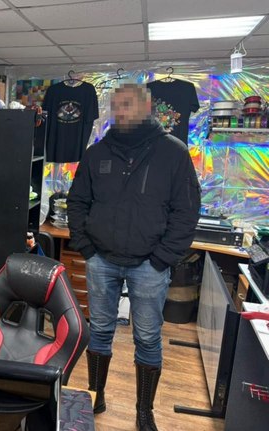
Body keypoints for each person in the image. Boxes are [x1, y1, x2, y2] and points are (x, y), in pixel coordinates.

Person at [66, 84, 201, 431]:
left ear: (146, 107)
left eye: (128, 105)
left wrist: (162, 259)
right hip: (102, 260)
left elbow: (187, 211)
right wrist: (86, 247)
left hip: (149, 265)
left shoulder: (173, 153)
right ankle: (96, 396)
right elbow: (77, 201)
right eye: (117, 106)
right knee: (99, 331)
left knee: (148, 337)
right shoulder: (97, 153)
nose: (121, 112)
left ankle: (144, 411)